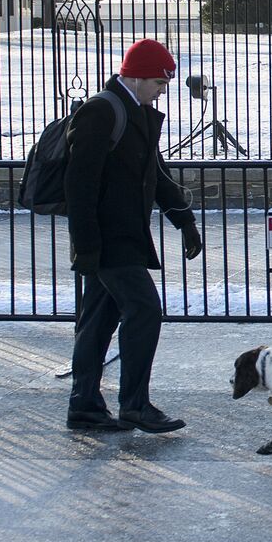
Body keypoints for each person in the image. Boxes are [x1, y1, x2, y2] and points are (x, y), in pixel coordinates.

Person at [64, 38, 203, 434]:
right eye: (159, 83)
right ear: (137, 77)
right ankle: (135, 405)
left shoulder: (137, 112)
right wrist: (87, 245)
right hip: (107, 239)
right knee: (144, 310)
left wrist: (184, 220)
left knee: (98, 320)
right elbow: (80, 185)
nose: (162, 91)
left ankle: (85, 406)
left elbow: (155, 175)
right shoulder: (101, 112)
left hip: (126, 235)